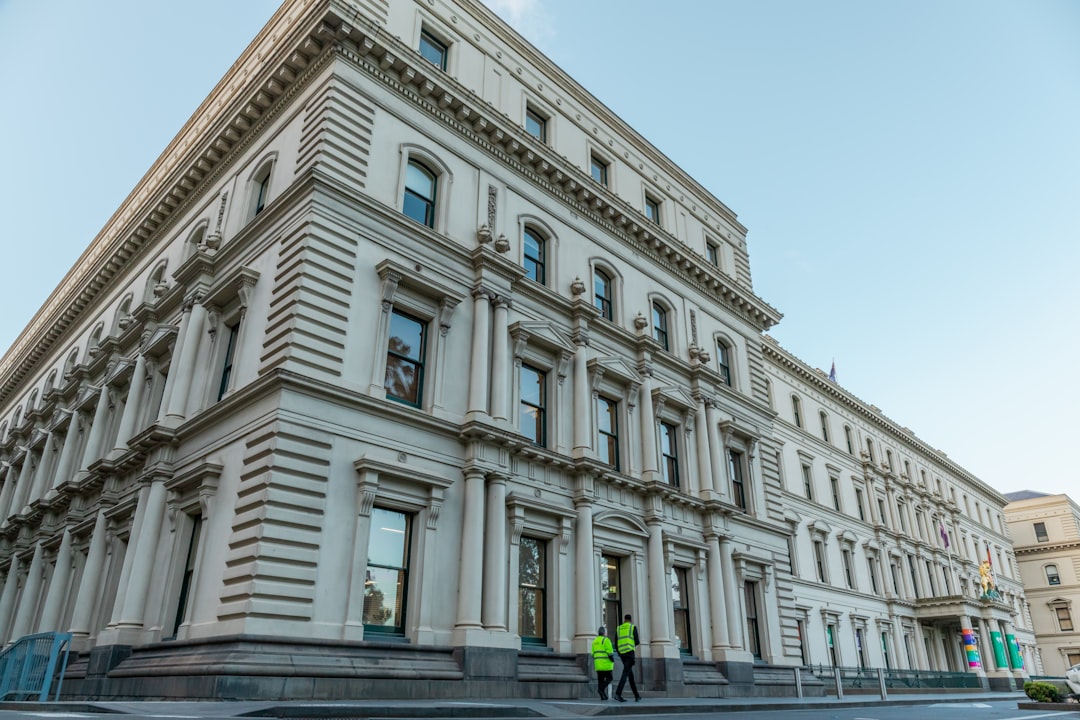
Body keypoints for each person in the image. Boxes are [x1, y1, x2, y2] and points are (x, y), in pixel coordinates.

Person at [614, 613, 641, 702]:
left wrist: (619, 652)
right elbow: (637, 641)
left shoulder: (619, 628)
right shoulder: (632, 627)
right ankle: (618, 694)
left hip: (622, 654)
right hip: (629, 653)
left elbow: (616, 642)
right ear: (630, 620)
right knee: (626, 673)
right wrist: (631, 646)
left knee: (630, 675)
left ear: (624, 619)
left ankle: (637, 695)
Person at [591, 625, 615, 700]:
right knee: (609, 678)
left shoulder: (594, 641)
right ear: (604, 633)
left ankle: (603, 696)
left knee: (600, 680)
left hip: (598, 664)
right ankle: (600, 689)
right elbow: (610, 652)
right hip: (606, 664)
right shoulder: (606, 640)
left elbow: (592, 654)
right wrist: (612, 660)